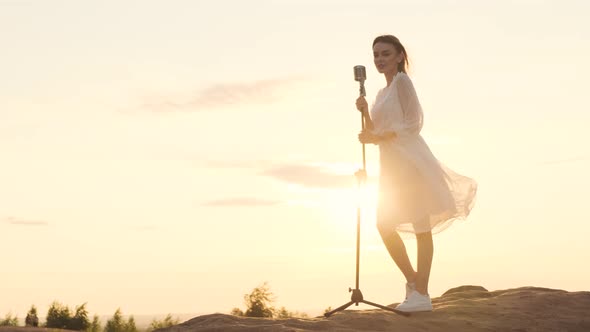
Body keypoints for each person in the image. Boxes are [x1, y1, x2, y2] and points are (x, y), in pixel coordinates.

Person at [355, 34, 477, 312]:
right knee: (384, 225)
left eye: (386, 54)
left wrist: (379, 136)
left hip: (410, 161)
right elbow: (377, 131)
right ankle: (413, 282)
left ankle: (421, 293)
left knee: (421, 226)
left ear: (399, 56)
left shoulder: (402, 82)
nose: (379, 59)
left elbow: (414, 123)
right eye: (376, 55)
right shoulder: (380, 93)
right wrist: (365, 115)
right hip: (391, 165)